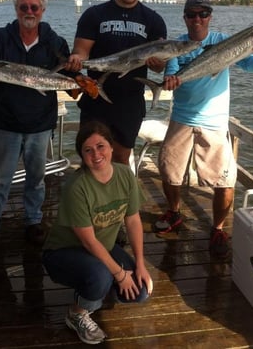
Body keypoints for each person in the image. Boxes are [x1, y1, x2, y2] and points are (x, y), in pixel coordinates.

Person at [0, 0, 90, 256]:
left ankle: (33, 221)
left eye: (34, 7)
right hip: (7, 123)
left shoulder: (55, 42)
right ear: (16, 9)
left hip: (40, 124)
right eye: (24, 7)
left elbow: (69, 83)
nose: (29, 11)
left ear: (43, 10)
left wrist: (79, 79)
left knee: (37, 178)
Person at [154, 0, 253, 257]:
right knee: (168, 171)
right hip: (182, 117)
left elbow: (250, 66)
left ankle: (218, 228)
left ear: (210, 16)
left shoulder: (223, 41)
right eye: (192, 14)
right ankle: (174, 212)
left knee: (224, 180)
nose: (197, 19)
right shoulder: (177, 46)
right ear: (184, 17)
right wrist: (169, 81)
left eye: (203, 13)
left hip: (215, 121)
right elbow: (170, 75)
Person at [42, 120, 153, 345]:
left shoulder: (125, 174)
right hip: (63, 252)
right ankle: (77, 313)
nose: (96, 154)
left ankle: (94, 290)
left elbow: (132, 220)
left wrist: (141, 263)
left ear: (112, 147)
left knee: (139, 292)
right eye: (88, 150)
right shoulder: (77, 187)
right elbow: (89, 242)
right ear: (82, 156)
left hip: (105, 246)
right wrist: (119, 275)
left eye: (101, 146)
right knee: (101, 276)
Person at [66, 0, 167, 166]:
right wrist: (77, 59)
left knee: (121, 158)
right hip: (95, 99)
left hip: (130, 102)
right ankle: (91, 198)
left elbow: (159, 66)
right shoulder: (94, 14)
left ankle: (117, 198)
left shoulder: (154, 20)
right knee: (92, 158)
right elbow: (82, 52)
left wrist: (158, 64)